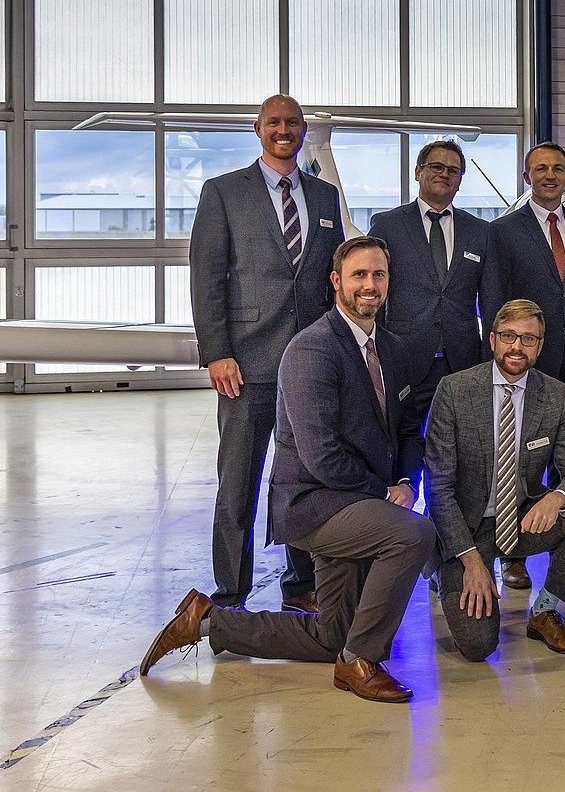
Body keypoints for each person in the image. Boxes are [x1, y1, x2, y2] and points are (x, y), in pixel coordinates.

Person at [142, 237, 436, 703]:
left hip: (361, 501)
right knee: (414, 534)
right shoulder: (311, 350)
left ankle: (206, 620)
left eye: (378, 275)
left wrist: (405, 481)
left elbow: (406, 430)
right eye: (359, 275)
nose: (370, 285)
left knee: (331, 636)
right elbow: (321, 456)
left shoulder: (394, 351)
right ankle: (360, 661)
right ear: (336, 281)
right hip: (315, 504)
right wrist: (385, 495)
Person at [189, 94, 345, 614]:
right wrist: (217, 352)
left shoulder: (323, 197)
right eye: (274, 122)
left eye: (293, 123)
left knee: (302, 479)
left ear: (303, 131)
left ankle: (301, 583)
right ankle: (230, 595)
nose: (284, 130)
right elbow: (207, 277)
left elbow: (331, 279)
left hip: (308, 364)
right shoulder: (223, 192)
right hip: (246, 364)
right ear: (257, 129)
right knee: (238, 484)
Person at [423, 299, 565, 661]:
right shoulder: (454, 390)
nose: (517, 347)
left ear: (540, 346)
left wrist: (556, 498)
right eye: (508, 336)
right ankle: (447, 573)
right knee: (478, 646)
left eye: (528, 338)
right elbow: (438, 490)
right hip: (465, 530)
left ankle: (544, 611)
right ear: (493, 339)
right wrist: (471, 562)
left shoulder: (557, 396)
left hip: (520, 519)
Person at [489, 142, 565, 592]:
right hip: (525, 364)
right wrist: (502, 360)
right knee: (519, 463)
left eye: (557, 168)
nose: (549, 175)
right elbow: (495, 301)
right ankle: (513, 552)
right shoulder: (504, 232)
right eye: (540, 169)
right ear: (527, 177)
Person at [368, 140, 501, 433]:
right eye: (436, 167)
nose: (444, 174)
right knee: (402, 440)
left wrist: (488, 357)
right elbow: (374, 293)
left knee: (464, 441)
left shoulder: (480, 231)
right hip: (404, 356)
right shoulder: (388, 225)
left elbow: (491, 299)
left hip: (462, 361)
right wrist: (375, 351)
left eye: (453, 170)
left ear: (460, 180)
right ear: (418, 172)